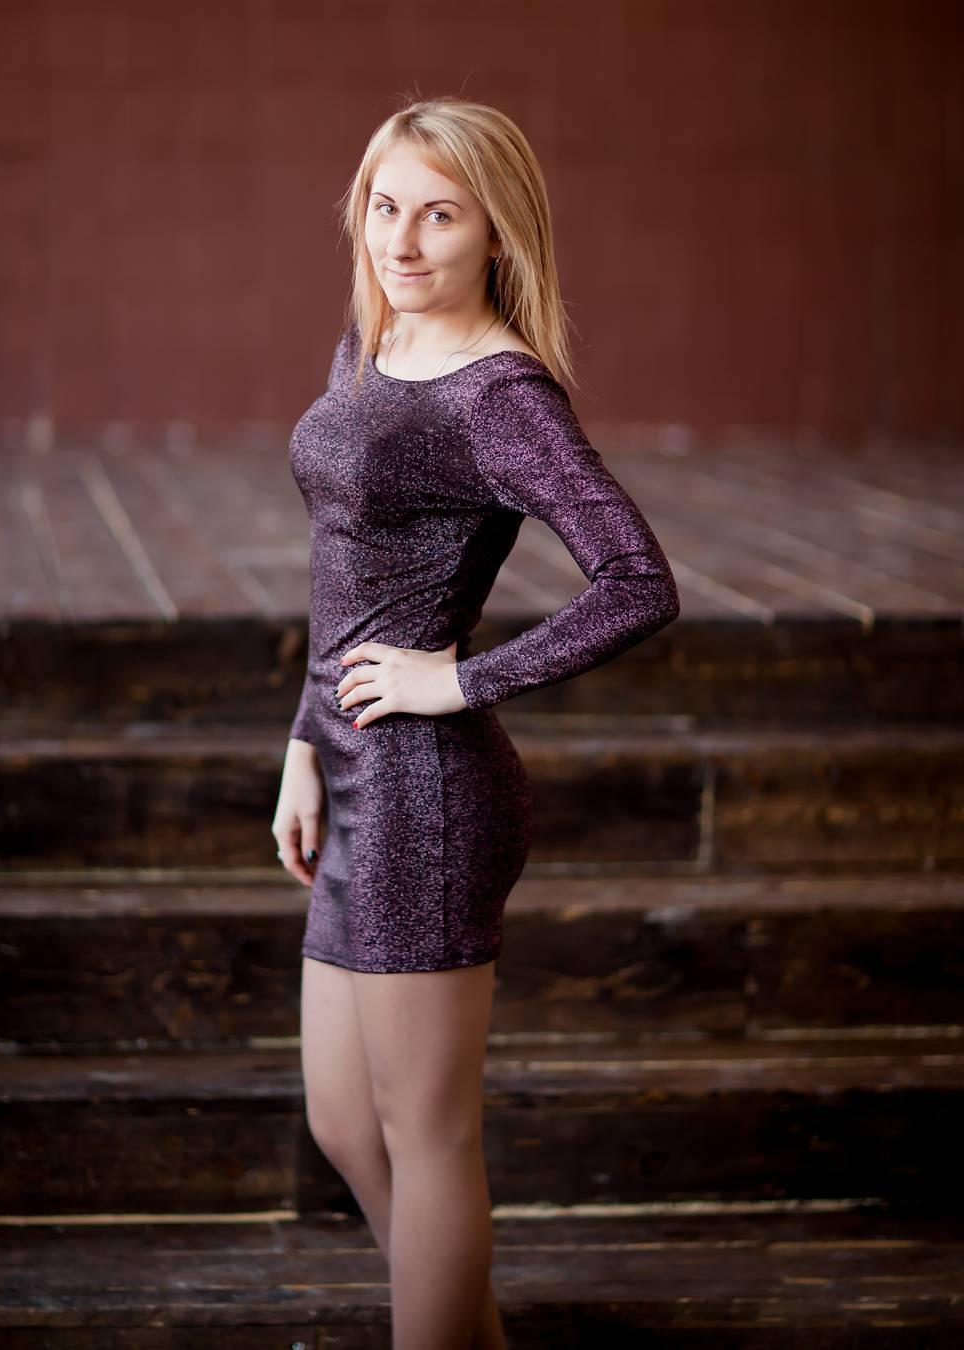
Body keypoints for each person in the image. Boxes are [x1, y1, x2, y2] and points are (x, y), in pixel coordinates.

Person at [271, 96, 680, 1350]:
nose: (402, 240)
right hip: (349, 765)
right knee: (344, 1121)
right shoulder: (373, 339)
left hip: (429, 796)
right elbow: (342, 572)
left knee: (426, 1133)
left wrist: (458, 681)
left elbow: (639, 581)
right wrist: (302, 742)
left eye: (439, 215)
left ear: (496, 230)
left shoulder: (501, 396)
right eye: (385, 207)